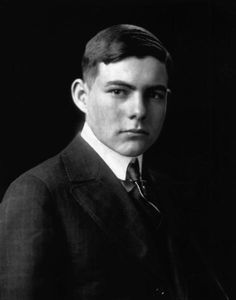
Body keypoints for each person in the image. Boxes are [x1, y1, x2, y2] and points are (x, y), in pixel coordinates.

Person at [0, 24, 228, 300]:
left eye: (154, 94)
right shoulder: (37, 193)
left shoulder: (172, 192)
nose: (139, 111)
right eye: (119, 91)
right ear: (81, 96)